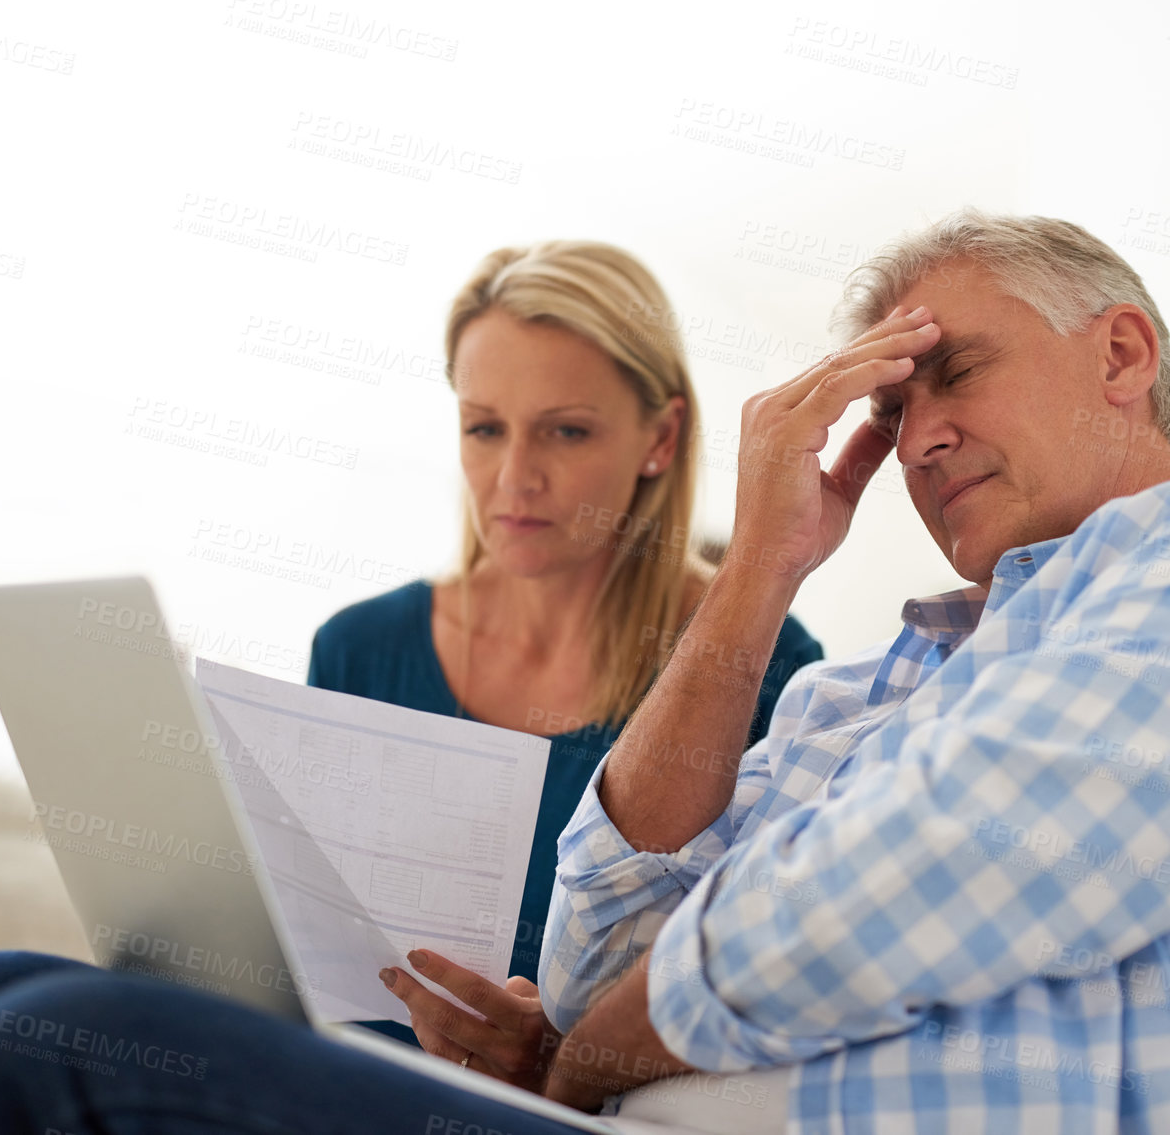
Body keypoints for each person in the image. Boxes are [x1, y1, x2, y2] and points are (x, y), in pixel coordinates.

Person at [0, 211, 1170, 1135]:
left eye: (947, 369)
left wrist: (588, 1050)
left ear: (1117, 355)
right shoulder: (882, 679)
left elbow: (923, 874)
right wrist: (751, 573)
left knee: (21, 1048)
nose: (919, 434)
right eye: (887, 408)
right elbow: (594, 930)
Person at [305, 241, 822, 1028]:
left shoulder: (768, 665)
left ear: (660, 437)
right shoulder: (357, 649)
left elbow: (754, 979)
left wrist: (554, 1055)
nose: (515, 477)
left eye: (566, 432)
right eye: (484, 429)